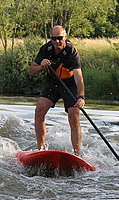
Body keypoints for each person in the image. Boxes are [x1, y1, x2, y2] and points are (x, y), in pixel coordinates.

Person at [29, 26, 86, 155]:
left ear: (65, 37)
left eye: (60, 38)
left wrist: (81, 97)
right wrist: (41, 66)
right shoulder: (46, 49)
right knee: (39, 110)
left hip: (70, 84)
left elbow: (79, 77)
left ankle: (77, 153)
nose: (57, 42)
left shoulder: (72, 51)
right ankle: (41, 149)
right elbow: (32, 71)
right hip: (53, 82)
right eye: (53, 39)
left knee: (73, 115)